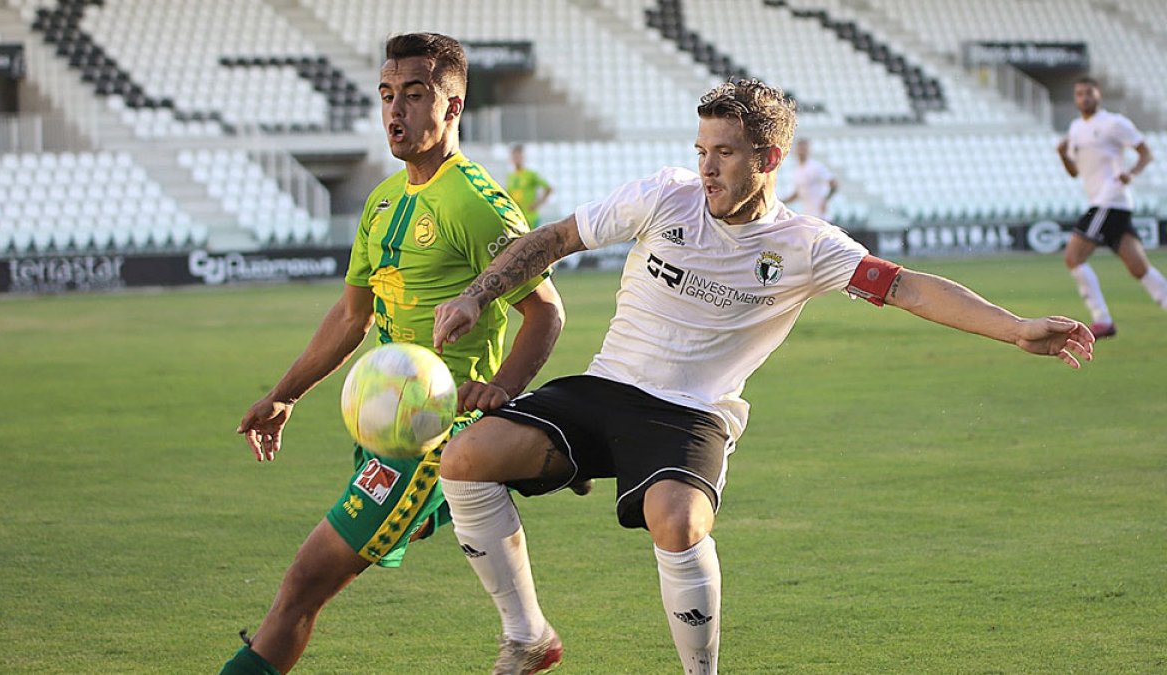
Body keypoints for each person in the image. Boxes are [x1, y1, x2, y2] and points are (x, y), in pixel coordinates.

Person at [431, 79, 1095, 675]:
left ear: (769, 158)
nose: (707, 167)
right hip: (606, 387)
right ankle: (528, 636)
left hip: (690, 413)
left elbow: (906, 287)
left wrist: (1015, 327)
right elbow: (555, 238)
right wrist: (476, 296)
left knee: (677, 521)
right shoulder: (664, 196)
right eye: (701, 150)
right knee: (463, 458)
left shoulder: (806, 245)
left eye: (724, 152)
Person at [220, 33, 567, 675]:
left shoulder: (477, 204)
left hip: (434, 432)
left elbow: (545, 311)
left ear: (452, 106)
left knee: (303, 584)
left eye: (413, 94)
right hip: (385, 425)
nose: (394, 110)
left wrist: (501, 390)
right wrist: (284, 394)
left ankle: (513, 489)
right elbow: (350, 316)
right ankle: (520, 502)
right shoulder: (382, 200)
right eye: (386, 94)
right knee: (334, 568)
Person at [1056, 76, 1166, 338]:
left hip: (1109, 199)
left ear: (1099, 94)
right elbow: (1073, 172)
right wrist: (1062, 154)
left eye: (1089, 92)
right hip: (1108, 203)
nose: (1084, 98)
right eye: (1079, 93)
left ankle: (1102, 319)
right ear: (1075, 98)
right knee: (1139, 268)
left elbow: (1145, 152)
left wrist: (1131, 173)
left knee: (1073, 257)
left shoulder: (1114, 123)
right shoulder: (1075, 128)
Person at [780, 137, 837, 218]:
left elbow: (834, 184)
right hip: (809, 215)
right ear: (796, 150)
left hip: (821, 216)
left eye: (804, 149)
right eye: (800, 149)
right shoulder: (797, 171)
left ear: (808, 150)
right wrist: (781, 202)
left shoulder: (816, 166)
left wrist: (825, 200)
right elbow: (798, 193)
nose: (801, 151)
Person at [507, 144, 554, 228]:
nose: (516, 159)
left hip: (530, 217)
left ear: (523, 157)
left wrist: (538, 203)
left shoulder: (530, 174)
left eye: (518, 156)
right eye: (514, 157)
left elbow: (548, 188)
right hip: (517, 218)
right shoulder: (511, 176)